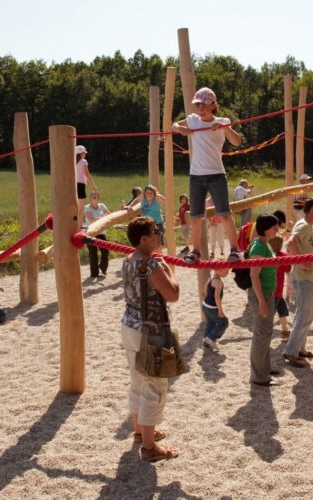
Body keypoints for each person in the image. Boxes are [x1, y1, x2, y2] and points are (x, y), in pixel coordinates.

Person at [120, 216, 180, 461]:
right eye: (155, 232)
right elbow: (172, 294)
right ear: (143, 238)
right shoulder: (152, 265)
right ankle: (148, 447)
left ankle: (140, 432)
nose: (158, 235)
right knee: (154, 386)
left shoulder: (127, 260)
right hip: (150, 329)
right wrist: (167, 269)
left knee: (138, 380)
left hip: (129, 325)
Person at [172, 87, 243, 264]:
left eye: (204, 104)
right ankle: (195, 251)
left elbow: (237, 141)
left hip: (216, 175)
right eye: (198, 104)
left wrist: (225, 128)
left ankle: (235, 250)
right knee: (195, 216)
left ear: (213, 105)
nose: (200, 107)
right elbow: (173, 126)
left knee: (224, 213)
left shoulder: (223, 121)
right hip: (196, 176)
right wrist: (181, 129)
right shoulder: (193, 120)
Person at [283, 198, 313, 367]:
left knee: (306, 314)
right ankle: (291, 351)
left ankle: (299, 348)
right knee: (304, 315)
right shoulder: (304, 225)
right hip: (303, 278)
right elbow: (290, 243)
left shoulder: (307, 226)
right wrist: (301, 262)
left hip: (307, 277)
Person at [248, 214, 281, 386]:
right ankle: (259, 376)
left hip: (267, 293)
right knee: (261, 333)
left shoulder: (263, 244)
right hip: (262, 294)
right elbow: (254, 275)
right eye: (275, 227)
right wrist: (261, 300)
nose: (277, 230)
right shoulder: (259, 247)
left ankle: (264, 368)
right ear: (266, 228)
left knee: (266, 331)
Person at [201, 265, 230, 352]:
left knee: (211, 323)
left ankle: (206, 341)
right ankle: (211, 338)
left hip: (205, 305)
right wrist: (220, 311)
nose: (227, 273)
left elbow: (205, 289)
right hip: (212, 308)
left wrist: (208, 298)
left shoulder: (211, 278)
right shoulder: (218, 282)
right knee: (224, 322)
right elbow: (217, 297)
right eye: (226, 271)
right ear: (219, 270)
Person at [268, 236, 291, 339]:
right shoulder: (283, 256)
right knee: (270, 315)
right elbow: (288, 269)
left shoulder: (267, 256)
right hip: (276, 291)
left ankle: (285, 330)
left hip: (274, 291)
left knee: (282, 310)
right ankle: (266, 333)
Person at [84, 192, 111, 279]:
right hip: (91, 233)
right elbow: (91, 220)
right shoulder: (87, 208)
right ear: (90, 198)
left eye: (96, 196)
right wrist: (103, 217)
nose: (94, 197)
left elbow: (109, 215)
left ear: (98, 198)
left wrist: (102, 217)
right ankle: (94, 273)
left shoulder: (102, 205)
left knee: (105, 251)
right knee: (93, 253)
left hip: (102, 232)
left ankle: (103, 267)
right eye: (93, 196)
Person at [75, 145, 98, 223]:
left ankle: (76, 225)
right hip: (81, 186)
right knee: (81, 208)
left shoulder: (73, 162)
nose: (85, 154)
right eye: (84, 153)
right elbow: (87, 174)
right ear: (81, 154)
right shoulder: (83, 161)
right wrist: (93, 185)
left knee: (76, 207)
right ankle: (79, 226)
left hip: (74, 185)